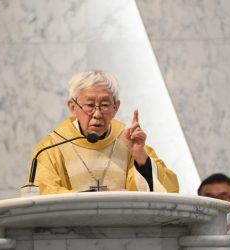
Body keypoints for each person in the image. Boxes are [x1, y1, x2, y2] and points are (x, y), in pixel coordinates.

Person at [25, 70, 179, 195]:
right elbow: (41, 192)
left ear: (116, 107)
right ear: (73, 107)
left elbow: (170, 190)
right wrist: (94, 197)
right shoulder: (52, 146)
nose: (97, 114)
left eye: (105, 105)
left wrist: (141, 158)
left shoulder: (129, 141)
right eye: (90, 105)